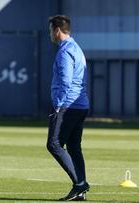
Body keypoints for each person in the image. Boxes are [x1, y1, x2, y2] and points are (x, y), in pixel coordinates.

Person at [46, 15, 90, 201]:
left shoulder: (64, 51)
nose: (50, 34)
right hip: (80, 105)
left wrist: (58, 104)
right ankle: (80, 191)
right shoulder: (77, 48)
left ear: (56, 30)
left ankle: (80, 183)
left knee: (54, 144)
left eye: (50, 30)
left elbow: (66, 80)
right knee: (73, 147)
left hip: (68, 106)